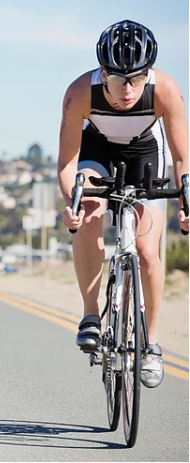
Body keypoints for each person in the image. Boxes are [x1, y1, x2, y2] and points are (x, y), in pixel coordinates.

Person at [58, 20, 189, 388]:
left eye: (137, 78)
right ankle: (90, 316)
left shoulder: (166, 91)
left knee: (147, 253)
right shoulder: (81, 92)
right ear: (103, 73)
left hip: (145, 153)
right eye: (118, 79)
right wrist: (73, 203)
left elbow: (182, 160)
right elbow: (68, 163)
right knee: (88, 212)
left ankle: (151, 343)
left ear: (149, 73)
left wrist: (185, 202)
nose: (128, 89)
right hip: (96, 150)